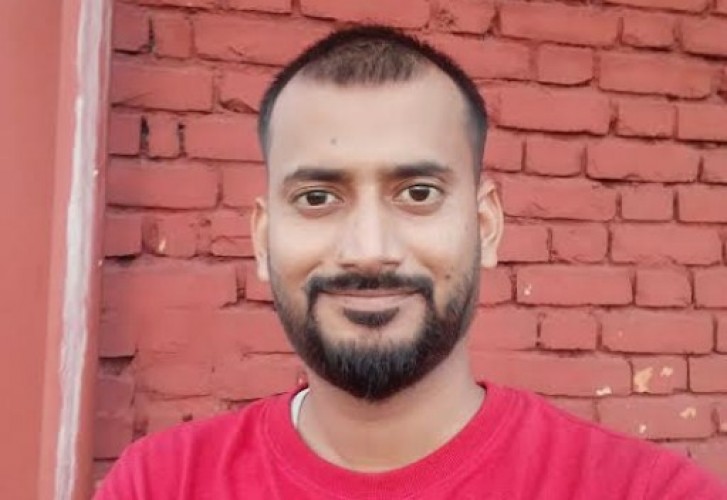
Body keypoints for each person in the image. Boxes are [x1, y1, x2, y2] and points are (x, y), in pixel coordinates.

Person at [96, 26, 727, 499]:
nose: (369, 249)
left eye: (418, 193)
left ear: (486, 227)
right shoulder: (161, 484)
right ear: (262, 240)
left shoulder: (645, 491)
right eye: (317, 198)